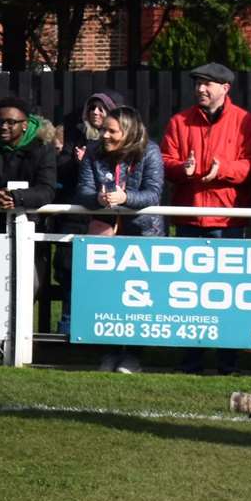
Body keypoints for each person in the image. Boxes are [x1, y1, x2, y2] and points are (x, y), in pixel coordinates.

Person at [161, 62, 251, 375]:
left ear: (225, 88)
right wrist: (182, 170)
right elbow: (165, 160)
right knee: (188, 294)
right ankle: (190, 361)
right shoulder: (180, 121)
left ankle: (226, 362)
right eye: (198, 84)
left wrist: (225, 171)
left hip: (227, 221)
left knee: (226, 296)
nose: (201, 89)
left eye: (207, 84)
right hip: (190, 218)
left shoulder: (245, 121)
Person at [0, 96, 59, 365]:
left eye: (10, 122)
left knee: (31, 285)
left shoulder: (43, 148)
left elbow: (47, 189)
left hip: (31, 231)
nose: (3, 127)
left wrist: (17, 198)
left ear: (26, 124)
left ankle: (14, 342)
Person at [79, 105, 164, 373]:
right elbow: (82, 190)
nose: (104, 135)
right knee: (107, 294)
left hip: (143, 232)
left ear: (127, 132)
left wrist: (126, 199)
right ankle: (110, 352)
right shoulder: (93, 152)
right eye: (103, 129)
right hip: (103, 232)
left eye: (111, 131)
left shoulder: (150, 151)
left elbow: (153, 194)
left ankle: (133, 356)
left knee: (138, 296)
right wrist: (97, 199)